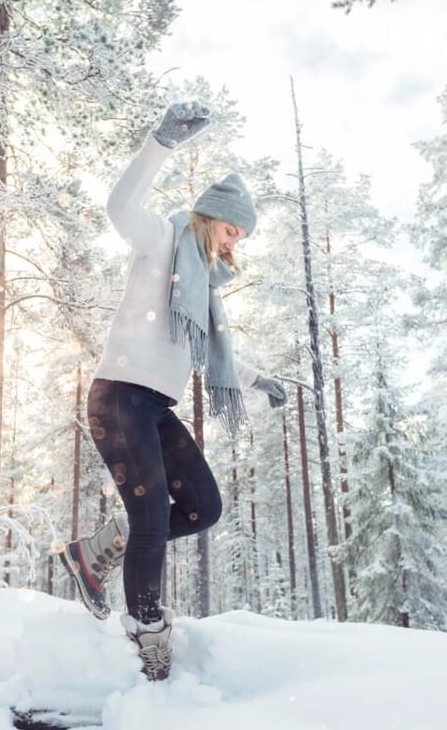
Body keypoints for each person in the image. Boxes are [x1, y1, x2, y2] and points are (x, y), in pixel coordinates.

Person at [58, 102, 287, 681]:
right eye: (232, 231)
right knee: (152, 520)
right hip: (118, 397)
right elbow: (119, 207)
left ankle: (97, 550)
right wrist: (160, 143)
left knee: (203, 507)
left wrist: (257, 380)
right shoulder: (161, 239)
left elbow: (213, 352)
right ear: (210, 218)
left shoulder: (201, 288)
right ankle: (147, 637)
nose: (234, 245)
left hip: (154, 406)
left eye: (241, 239)